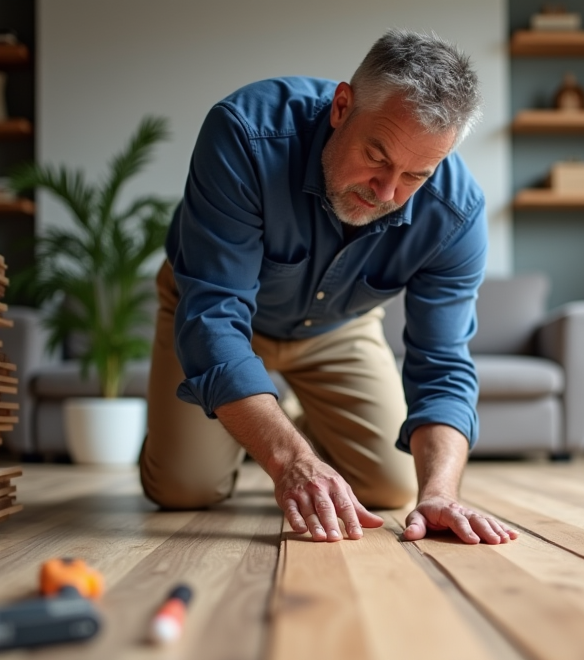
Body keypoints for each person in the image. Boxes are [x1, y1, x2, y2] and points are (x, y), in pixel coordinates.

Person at [139, 30, 518, 546]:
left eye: (415, 176)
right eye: (377, 156)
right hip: (222, 317)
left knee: (391, 486)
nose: (387, 192)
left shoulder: (456, 214)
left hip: (338, 327)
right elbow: (214, 318)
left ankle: (284, 417)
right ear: (342, 106)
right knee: (182, 489)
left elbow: (444, 364)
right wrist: (289, 461)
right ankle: (275, 428)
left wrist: (440, 492)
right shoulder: (244, 134)